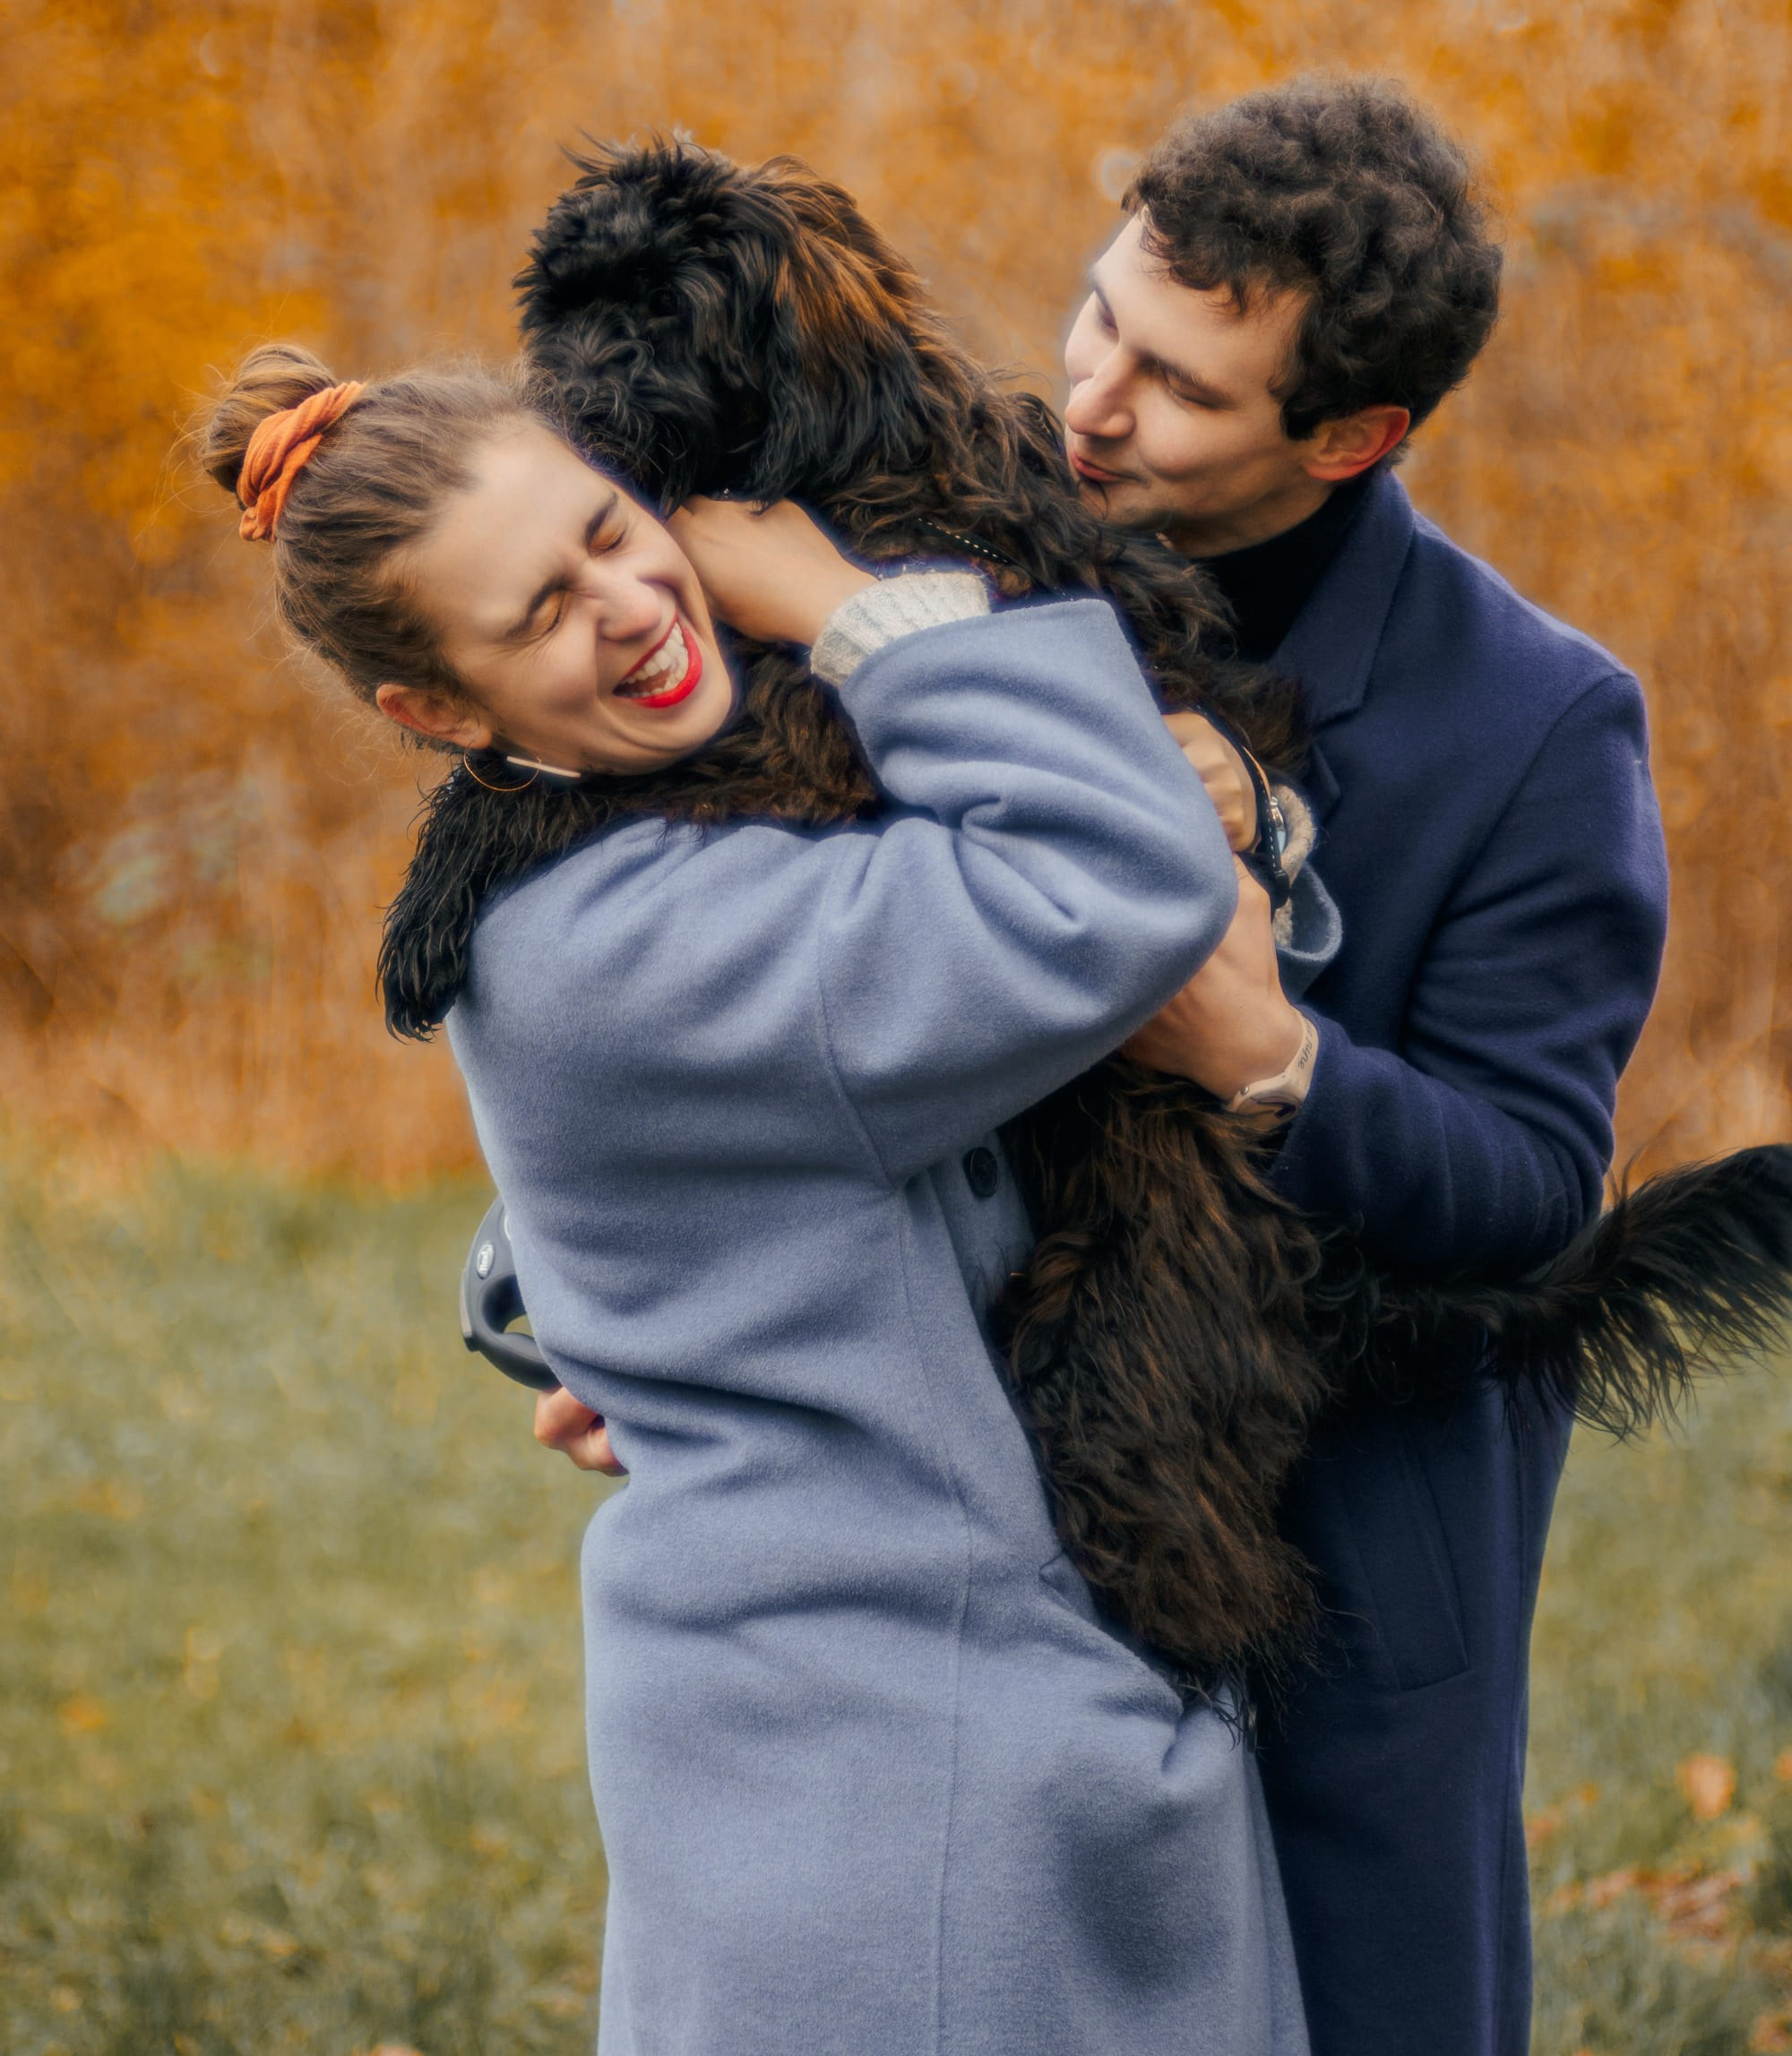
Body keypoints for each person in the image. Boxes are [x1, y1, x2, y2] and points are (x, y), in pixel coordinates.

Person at [201, 345, 1312, 2056]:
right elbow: (1118, 882)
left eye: (610, 530)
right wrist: (853, 608)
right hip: (906, 1779)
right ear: (437, 714)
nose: (628, 606)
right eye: (536, 615)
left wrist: (561, 1291)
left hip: (937, 1724)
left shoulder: (628, 846)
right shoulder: (630, 935)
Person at [1057, 78, 1670, 2056]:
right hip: (983, 1499)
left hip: (1347, 1552)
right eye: (1097, 321)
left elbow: (1525, 1188)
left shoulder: (1539, 721)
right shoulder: (974, 577)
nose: (1088, 403)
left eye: (1174, 387)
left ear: (1353, 435)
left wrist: (1264, 1052)